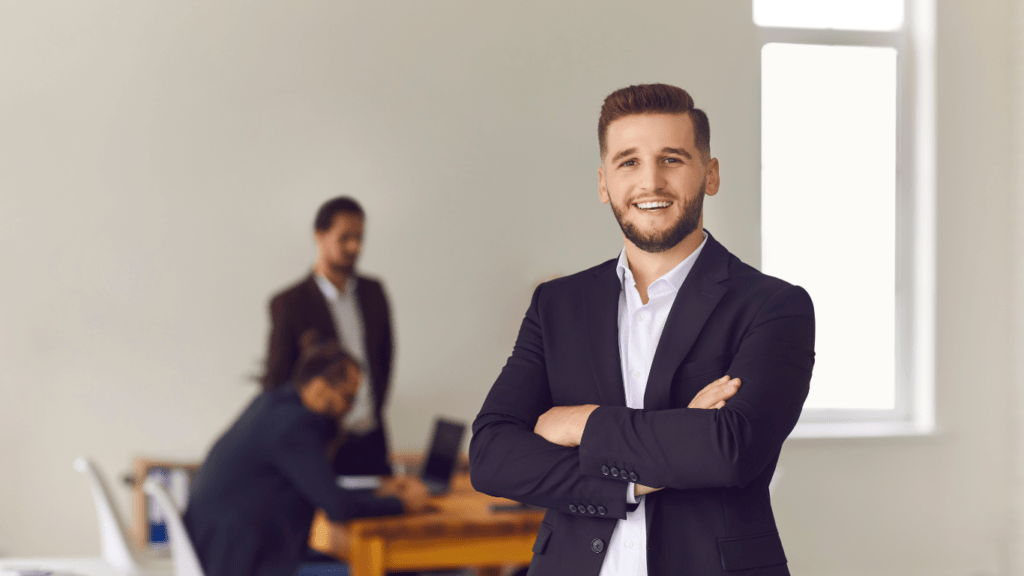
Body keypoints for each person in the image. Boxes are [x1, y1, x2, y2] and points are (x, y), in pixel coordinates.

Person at [469, 83, 815, 576]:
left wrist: (578, 423)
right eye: (628, 162)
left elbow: (729, 450)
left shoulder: (774, 307)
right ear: (604, 183)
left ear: (710, 174)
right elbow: (491, 455)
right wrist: (663, 454)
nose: (650, 182)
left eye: (672, 159)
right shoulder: (558, 305)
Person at [185, 338, 428, 576]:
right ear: (319, 388)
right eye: (349, 398)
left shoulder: (270, 405)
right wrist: (403, 504)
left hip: (222, 551)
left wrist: (378, 492)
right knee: (391, 569)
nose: (350, 409)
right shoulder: (294, 426)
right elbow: (338, 508)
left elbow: (322, 488)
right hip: (249, 562)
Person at [264, 196, 394, 476]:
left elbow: (384, 359)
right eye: (345, 237)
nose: (354, 247)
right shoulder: (289, 304)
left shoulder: (374, 293)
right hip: (322, 445)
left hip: (372, 438)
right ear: (319, 236)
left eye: (360, 238)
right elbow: (277, 380)